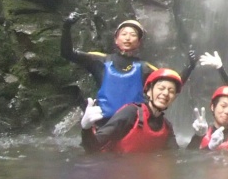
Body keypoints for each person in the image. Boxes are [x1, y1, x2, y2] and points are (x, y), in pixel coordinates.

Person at [62, 14, 198, 126]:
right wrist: (66, 27)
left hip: (133, 126)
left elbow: (173, 82)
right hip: (103, 123)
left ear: (138, 42)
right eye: (124, 34)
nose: (128, 38)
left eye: (133, 35)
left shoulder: (145, 68)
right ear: (116, 39)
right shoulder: (99, 60)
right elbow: (68, 53)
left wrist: (190, 66)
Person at [85, 68, 182, 153]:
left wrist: (197, 136)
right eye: (161, 88)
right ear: (148, 91)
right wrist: (86, 129)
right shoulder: (131, 113)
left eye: (171, 91)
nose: (165, 93)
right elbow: (93, 147)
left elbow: (176, 157)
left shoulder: (166, 127)